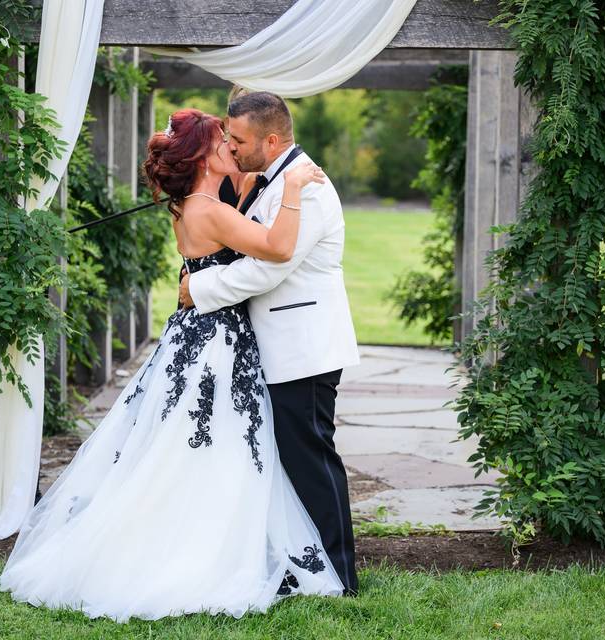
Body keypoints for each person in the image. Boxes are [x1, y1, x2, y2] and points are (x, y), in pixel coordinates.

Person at [0, 108, 344, 621]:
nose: (230, 144)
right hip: (215, 341)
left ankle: (195, 541)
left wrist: (257, 182)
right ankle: (204, 554)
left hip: (199, 337)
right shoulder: (209, 207)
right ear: (204, 156)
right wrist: (289, 188)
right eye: (223, 141)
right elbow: (276, 246)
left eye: (236, 138)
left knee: (188, 444)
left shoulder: (192, 203)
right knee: (213, 445)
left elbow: (241, 215)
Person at [179, 92, 361, 595]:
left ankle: (338, 574)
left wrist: (199, 290)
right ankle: (300, 566)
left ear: (272, 140)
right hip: (276, 346)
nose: (231, 147)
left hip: (303, 347)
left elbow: (267, 268)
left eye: (238, 139)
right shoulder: (268, 182)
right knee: (286, 460)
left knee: (310, 459)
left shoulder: (310, 189)